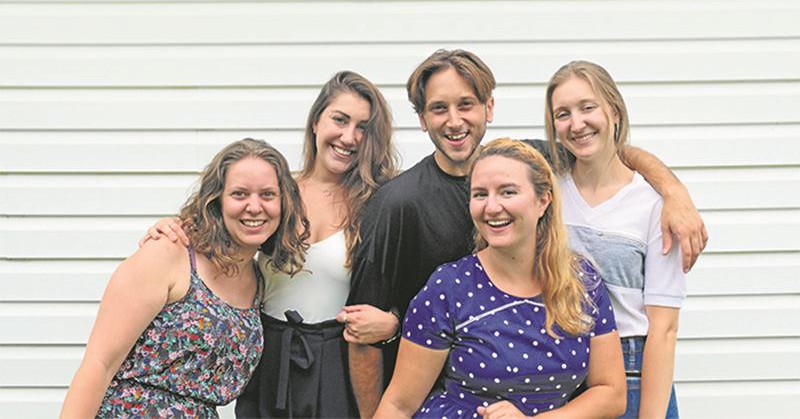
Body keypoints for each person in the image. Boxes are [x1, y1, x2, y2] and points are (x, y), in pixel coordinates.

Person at [347, 49, 706, 417]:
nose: (454, 120)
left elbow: (609, 153)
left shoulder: (532, 168)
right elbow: (364, 334)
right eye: (439, 108)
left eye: (466, 104)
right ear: (422, 118)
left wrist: (673, 191)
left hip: (596, 369)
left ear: (542, 200)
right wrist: (395, 324)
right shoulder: (400, 204)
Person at [143, 71, 401, 418]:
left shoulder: (379, 206)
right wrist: (171, 229)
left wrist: (394, 322)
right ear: (316, 122)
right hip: (269, 354)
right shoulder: (277, 194)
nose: (349, 137)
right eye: (339, 120)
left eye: (363, 127)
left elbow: (412, 285)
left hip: (338, 360)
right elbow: (216, 231)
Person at [374, 138, 627, 419]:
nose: (491, 207)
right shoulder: (450, 287)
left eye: (507, 192)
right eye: (480, 194)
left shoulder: (582, 282)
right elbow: (399, 404)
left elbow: (611, 392)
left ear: (543, 200)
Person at [60, 138, 308, 418]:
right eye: (239, 194)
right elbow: (98, 364)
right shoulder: (169, 252)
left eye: (267, 194)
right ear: (217, 200)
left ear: (283, 203)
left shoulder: (260, 279)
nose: (254, 206)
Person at [546, 61, 686, 418]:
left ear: (614, 111)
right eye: (563, 114)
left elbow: (664, 328)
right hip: (560, 368)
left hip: (633, 370)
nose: (577, 123)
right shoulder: (548, 196)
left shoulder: (655, 205)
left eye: (587, 107)